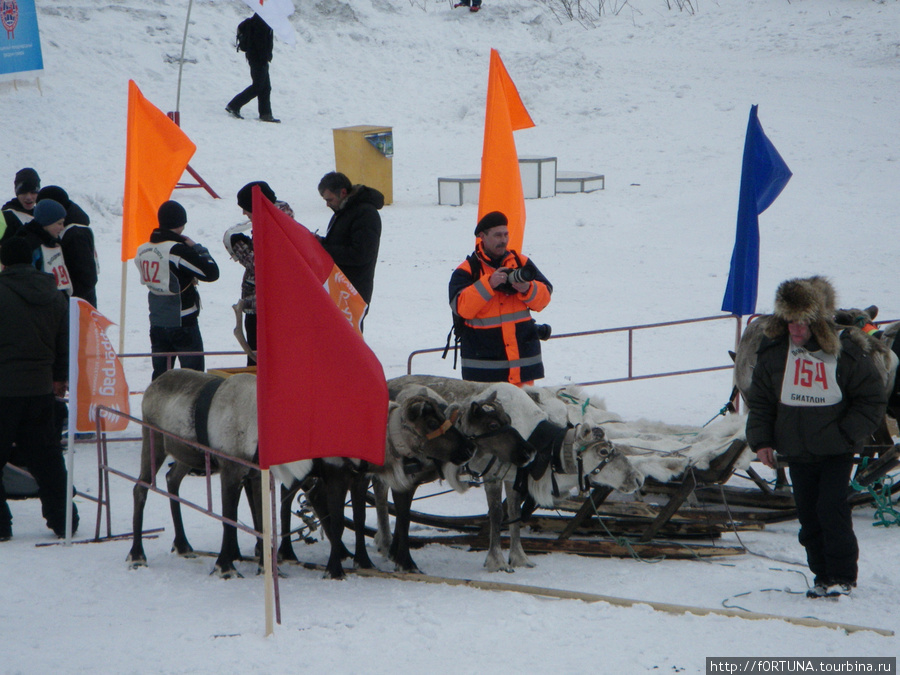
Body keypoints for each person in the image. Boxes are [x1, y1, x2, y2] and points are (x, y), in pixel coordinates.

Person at [746, 276, 886, 599]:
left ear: (817, 321)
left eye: (803, 323)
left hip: (835, 449)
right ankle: (822, 575)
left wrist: (844, 433)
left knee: (831, 509)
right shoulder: (775, 351)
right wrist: (762, 441)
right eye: (790, 322)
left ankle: (842, 576)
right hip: (797, 450)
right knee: (808, 515)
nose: (795, 330)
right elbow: (762, 400)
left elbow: (871, 399)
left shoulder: (847, 351)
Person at [0, 236, 78, 540]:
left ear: (4, 261)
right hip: (41, 389)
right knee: (47, 459)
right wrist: (59, 378)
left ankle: (1, 526)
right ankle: (64, 520)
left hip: (4, 391)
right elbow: (64, 342)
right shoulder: (54, 293)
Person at [448, 211, 552, 385]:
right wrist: (489, 284)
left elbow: (544, 298)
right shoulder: (467, 270)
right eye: (497, 235)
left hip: (522, 370)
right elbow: (461, 308)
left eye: (506, 234)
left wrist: (527, 288)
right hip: (483, 373)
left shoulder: (521, 262)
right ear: (482, 236)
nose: (503, 240)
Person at [135, 200, 220, 380]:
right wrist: (198, 249)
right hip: (183, 321)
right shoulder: (176, 250)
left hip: (157, 320)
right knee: (194, 380)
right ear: (181, 224)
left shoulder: (143, 250)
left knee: (161, 380)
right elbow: (211, 273)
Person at [223, 181, 294, 365]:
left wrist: (241, 248)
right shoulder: (273, 220)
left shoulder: (273, 225)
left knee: (259, 362)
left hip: (264, 306)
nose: (243, 213)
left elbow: (264, 265)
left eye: (246, 208)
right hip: (263, 305)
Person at [316, 171, 383, 323]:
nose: (327, 204)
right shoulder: (343, 211)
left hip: (353, 291)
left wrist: (324, 249)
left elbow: (360, 254)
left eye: (329, 199)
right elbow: (341, 243)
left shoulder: (365, 213)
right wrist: (321, 243)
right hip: (339, 288)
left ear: (343, 192)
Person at [37, 186, 99, 307]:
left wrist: (68, 302)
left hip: (77, 305)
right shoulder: (72, 227)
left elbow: (86, 277)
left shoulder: (74, 233)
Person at [226, 13, 280, 123]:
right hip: (258, 58)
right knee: (258, 86)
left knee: (265, 87)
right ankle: (234, 105)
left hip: (257, 57)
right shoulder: (261, 22)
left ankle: (265, 114)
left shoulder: (260, 19)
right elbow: (260, 42)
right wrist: (265, 56)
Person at [16, 198, 72, 296]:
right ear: (47, 223)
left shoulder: (52, 240)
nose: (62, 227)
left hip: (56, 300)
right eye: (59, 223)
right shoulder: (31, 245)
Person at [1, 167, 40, 246]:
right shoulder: (7, 217)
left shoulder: (41, 214)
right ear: (17, 193)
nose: (28, 197)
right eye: (24, 192)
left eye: (33, 192)